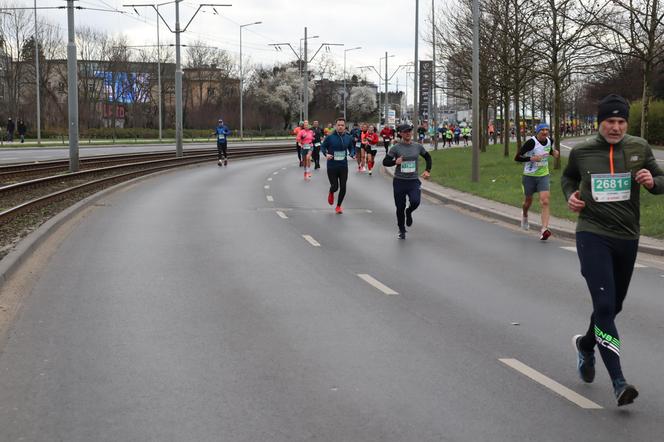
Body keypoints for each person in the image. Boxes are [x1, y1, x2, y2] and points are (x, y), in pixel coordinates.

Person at [561, 94, 664, 407]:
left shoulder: (638, 147)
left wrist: (652, 182)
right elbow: (568, 178)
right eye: (610, 122)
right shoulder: (582, 151)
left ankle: (586, 345)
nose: (616, 127)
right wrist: (571, 196)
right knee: (604, 305)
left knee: (613, 307)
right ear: (600, 122)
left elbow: (661, 179)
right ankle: (619, 382)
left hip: (627, 237)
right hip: (592, 234)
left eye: (621, 122)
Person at [382, 124, 432, 239]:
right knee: (399, 207)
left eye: (409, 131)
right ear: (400, 134)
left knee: (415, 202)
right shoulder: (396, 148)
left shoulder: (417, 146)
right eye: (405, 132)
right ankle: (401, 229)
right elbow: (385, 162)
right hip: (399, 181)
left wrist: (427, 170)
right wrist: (395, 162)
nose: (408, 133)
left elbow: (428, 157)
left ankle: (409, 212)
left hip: (413, 181)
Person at [514, 122, 560, 239]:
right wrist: (531, 158)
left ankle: (544, 229)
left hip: (543, 175)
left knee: (545, 201)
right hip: (529, 176)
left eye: (547, 130)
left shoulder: (550, 140)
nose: (545, 132)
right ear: (537, 132)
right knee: (527, 202)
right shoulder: (531, 142)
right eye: (542, 130)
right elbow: (517, 157)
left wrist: (553, 153)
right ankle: (524, 215)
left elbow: (547, 150)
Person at [322, 117, 356, 214]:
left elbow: (351, 148)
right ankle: (331, 191)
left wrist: (352, 154)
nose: (340, 127)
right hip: (332, 165)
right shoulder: (330, 137)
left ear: (345, 126)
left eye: (342, 125)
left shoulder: (348, 137)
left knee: (343, 186)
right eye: (338, 125)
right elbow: (323, 147)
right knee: (335, 186)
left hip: (343, 166)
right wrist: (326, 154)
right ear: (335, 126)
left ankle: (338, 206)